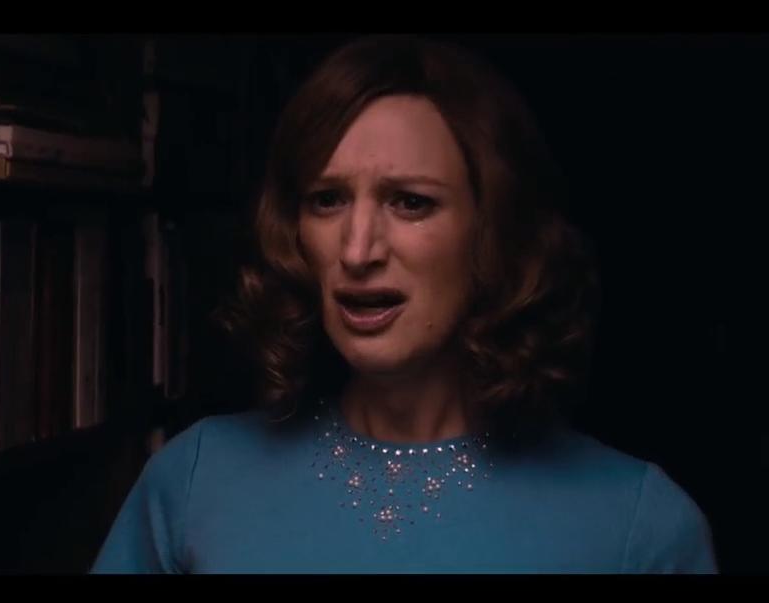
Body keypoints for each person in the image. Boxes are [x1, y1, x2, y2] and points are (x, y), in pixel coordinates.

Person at [90, 35, 718, 574]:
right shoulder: (196, 479)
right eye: (327, 200)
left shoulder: (636, 524)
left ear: (494, 232)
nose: (357, 249)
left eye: (410, 202)